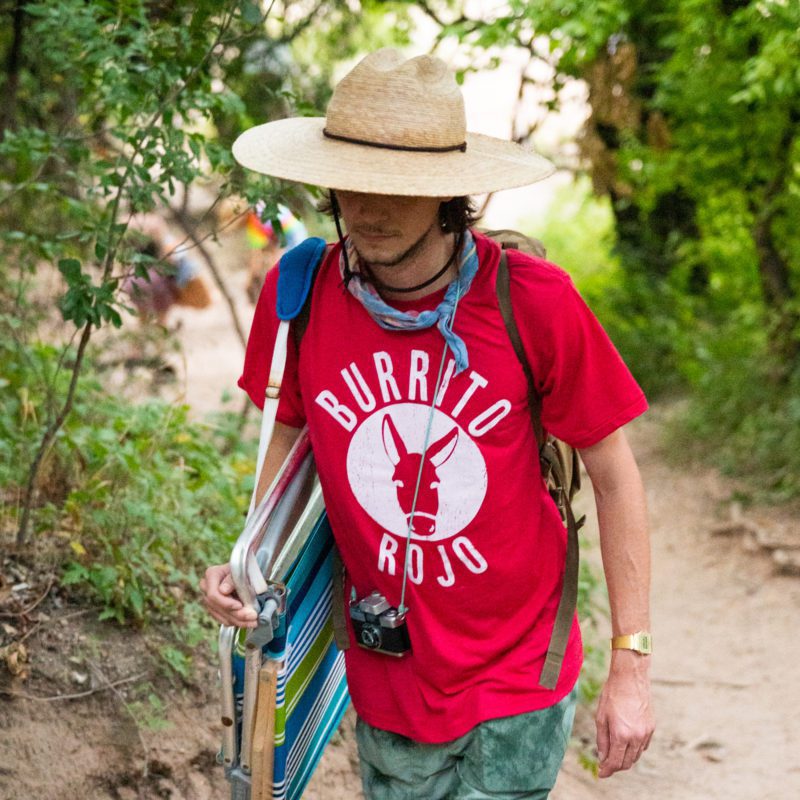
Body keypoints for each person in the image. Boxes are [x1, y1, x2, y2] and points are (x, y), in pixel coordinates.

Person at [201, 49, 654, 799]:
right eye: (352, 184)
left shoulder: (532, 302)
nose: (368, 208)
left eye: (396, 189)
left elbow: (615, 473)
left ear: (448, 193)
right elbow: (288, 446)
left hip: (520, 671)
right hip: (388, 674)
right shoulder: (300, 296)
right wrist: (251, 563)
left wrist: (632, 665)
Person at [123, 213, 212, 326]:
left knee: (142, 321)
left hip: (133, 282)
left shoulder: (125, 223)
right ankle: (159, 343)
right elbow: (170, 258)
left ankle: (139, 342)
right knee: (161, 322)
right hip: (157, 285)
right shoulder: (155, 223)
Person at [244, 202, 308, 303]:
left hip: (291, 233)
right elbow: (269, 244)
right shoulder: (257, 207)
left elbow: (256, 256)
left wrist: (249, 279)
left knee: (289, 268)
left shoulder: (253, 219)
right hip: (293, 229)